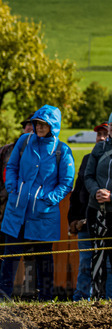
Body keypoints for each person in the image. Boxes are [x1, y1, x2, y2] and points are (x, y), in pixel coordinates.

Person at [0, 106, 74, 301]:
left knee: (43, 258)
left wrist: (48, 200)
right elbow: (12, 166)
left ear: (53, 126)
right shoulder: (24, 141)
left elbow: (66, 183)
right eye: (37, 123)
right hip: (18, 210)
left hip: (43, 213)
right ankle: (2, 298)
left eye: (44, 124)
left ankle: (45, 299)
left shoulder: (62, 150)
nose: (38, 127)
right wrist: (13, 188)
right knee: (10, 256)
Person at [0, 118, 36, 297]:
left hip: (32, 212)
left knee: (31, 256)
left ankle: (30, 297)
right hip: (4, 211)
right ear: (23, 128)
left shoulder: (44, 151)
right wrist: (3, 192)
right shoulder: (6, 151)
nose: (31, 129)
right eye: (29, 125)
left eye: (36, 127)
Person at [69, 123, 110, 301]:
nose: (100, 137)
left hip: (106, 218)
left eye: (104, 133)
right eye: (98, 134)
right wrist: (73, 218)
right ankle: (81, 298)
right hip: (85, 220)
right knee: (86, 263)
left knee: (107, 264)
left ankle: (107, 300)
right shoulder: (87, 158)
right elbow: (78, 191)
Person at [83, 114, 112, 301]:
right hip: (97, 211)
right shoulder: (99, 148)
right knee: (97, 257)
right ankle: (98, 301)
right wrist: (96, 192)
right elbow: (88, 175)